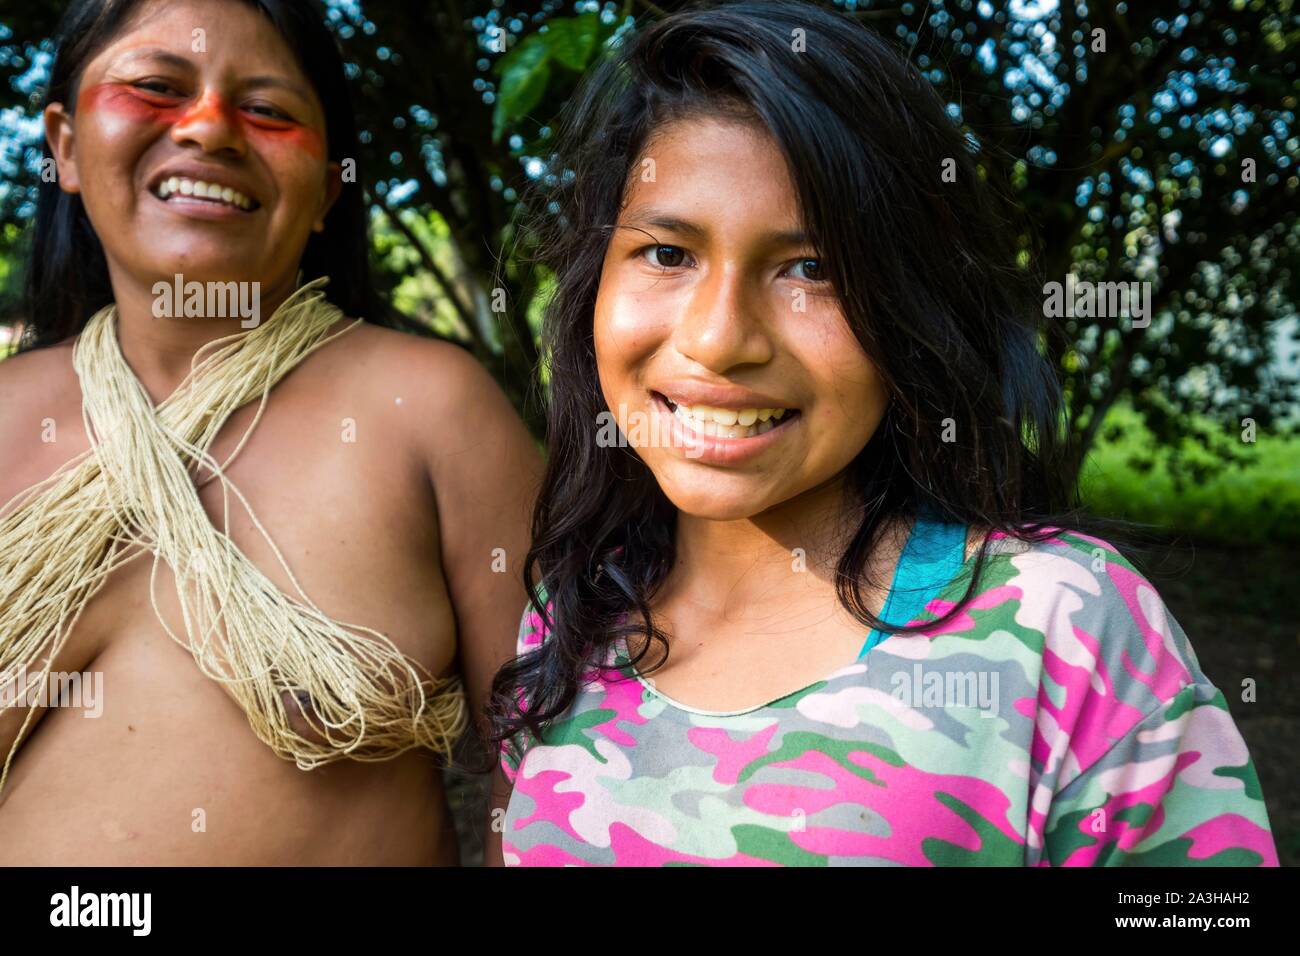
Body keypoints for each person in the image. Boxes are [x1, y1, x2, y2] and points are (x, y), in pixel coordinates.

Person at [484, 0, 1277, 866]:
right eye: (667, 254)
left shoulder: (1067, 628)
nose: (717, 340)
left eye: (812, 269)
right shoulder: (574, 614)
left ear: (908, 311)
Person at [0, 0, 540, 865]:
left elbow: (553, 769)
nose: (210, 128)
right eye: (155, 86)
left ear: (328, 187)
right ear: (65, 145)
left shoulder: (430, 409)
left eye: (268, 109)